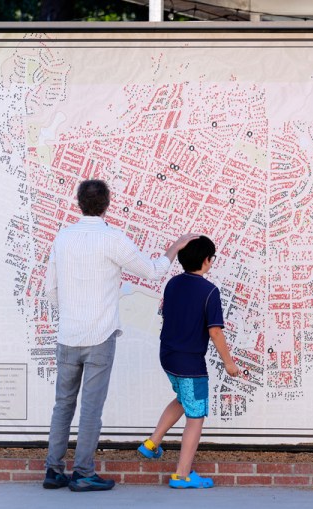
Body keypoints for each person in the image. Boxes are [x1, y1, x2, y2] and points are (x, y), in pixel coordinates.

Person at [42, 179, 197, 492]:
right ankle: (83, 473)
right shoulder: (112, 239)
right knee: (91, 409)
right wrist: (176, 246)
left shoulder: (63, 238)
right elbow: (152, 271)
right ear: (107, 203)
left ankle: (53, 471)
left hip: (68, 334)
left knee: (63, 405)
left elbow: (51, 290)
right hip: (99, 335)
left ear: (78, 202)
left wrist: (70, 312)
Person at [137, 235, 239, 489]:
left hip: (168, 357)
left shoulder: (172, 284)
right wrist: (229, 363)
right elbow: (215, 332)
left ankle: (152, 443)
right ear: (206, 260)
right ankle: (182, 475)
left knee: (183, 398)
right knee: (196, 416)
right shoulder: (209, 291)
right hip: (191, 364)